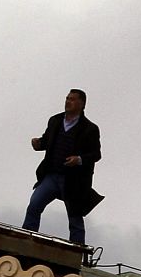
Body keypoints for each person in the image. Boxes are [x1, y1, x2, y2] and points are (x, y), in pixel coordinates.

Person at [22, 89, 103, 245]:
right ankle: (26, 240)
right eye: (67, 98)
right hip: (52, 175)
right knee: (34, 206)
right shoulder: (55, 121)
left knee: (75, 218)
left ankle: (78, 251)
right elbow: (47, 141)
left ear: (81, 103)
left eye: (72, 99)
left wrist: (78, 159)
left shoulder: (90, 128)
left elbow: (96, 154)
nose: (68, 101)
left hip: (73, 181)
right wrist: (38, 143)